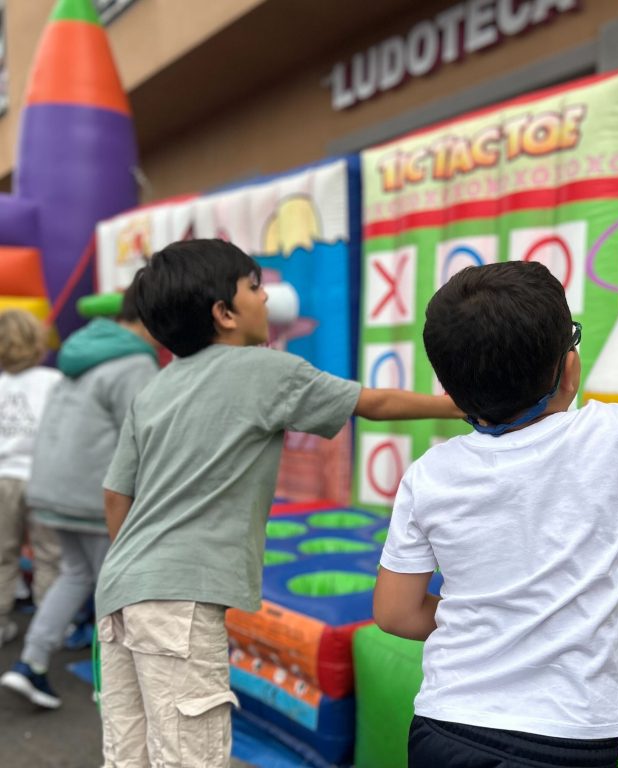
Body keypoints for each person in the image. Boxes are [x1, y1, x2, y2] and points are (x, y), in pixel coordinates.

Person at [373, 261, 618, 767]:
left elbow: (394, 613)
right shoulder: (617, 436)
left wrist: (491, 624)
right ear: (569, 370)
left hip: (446, 728)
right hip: (566, 738)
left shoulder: (428, 475)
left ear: (451, 392)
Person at [93, 239, 461, 768]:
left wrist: (137, 570)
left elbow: (115, 494)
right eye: (255, 288)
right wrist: (459, 405)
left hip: (122, 589)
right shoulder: (265, 370)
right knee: (190, 755)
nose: (267, 300)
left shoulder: (153, 390)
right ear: (224, 314)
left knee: (129, 754)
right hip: (180, 596)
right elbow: (373, 403)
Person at [1, 283, 158, 708]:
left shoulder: (79, 352)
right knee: (120, 590)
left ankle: (30, 663)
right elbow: (147, 434)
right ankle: (116, 684)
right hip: (94, 494)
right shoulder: (133, 362)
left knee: (76, 575)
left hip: (51, 488)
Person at [0, 310, 61, 647]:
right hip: (41, 478)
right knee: (49, 554)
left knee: (2, 554)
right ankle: (46, 629)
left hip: (3, 478)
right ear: (37, 342)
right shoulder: (52, 381)